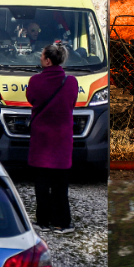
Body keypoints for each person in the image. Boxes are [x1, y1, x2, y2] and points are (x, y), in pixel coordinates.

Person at [27, 43, 79, 233]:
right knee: (60, 183)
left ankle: (43, 220)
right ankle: (62, 222)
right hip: (62, 138)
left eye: (42, 56)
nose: (40, 58)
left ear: (48, 60)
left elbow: (31, 99)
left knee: (41, 182)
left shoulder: (35, 81)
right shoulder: (71, 82)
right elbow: (72, 102)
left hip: (41, 137)